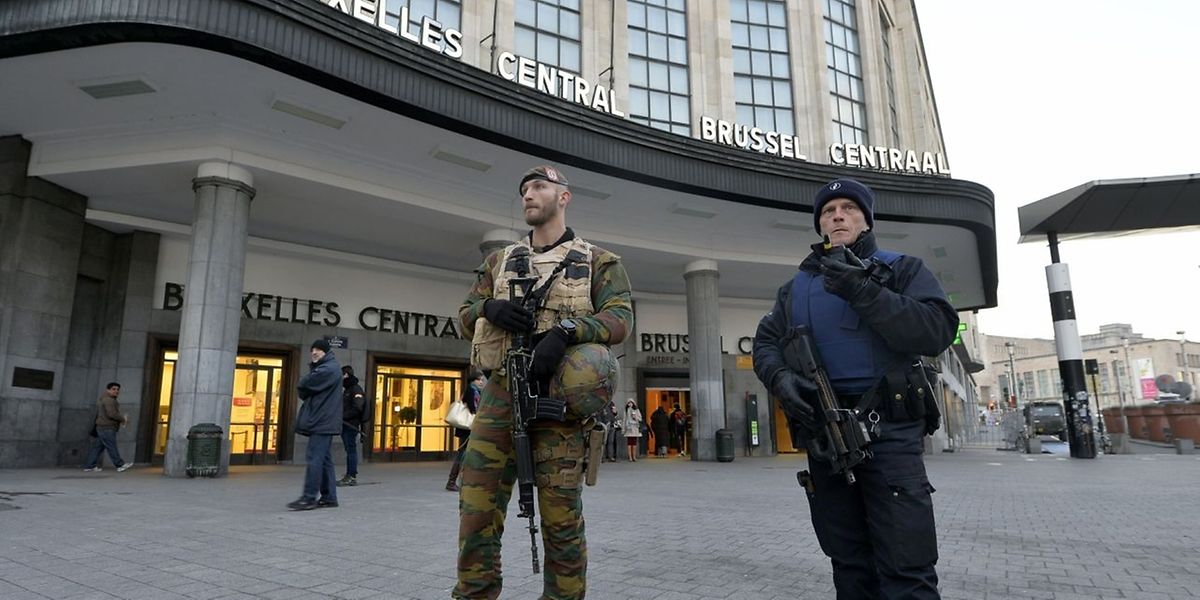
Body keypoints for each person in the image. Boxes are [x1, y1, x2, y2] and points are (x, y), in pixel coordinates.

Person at [752, 178, 957, 600]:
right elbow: (765, 343)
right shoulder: (795, 288)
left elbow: (937, 330)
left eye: (848, 208)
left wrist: (863, 290)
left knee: (907, 568)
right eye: (829, 211)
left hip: (890, 436)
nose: (838, 215)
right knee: (848, 564)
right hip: (826, 437)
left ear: (865, 219)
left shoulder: (901, 269)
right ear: (820, 225)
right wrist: (780, 378)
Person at [455, 165, 633, 600]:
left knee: (561, 519)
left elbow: (620, 318)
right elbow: (464, 315)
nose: (528, 195)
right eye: (524, 190)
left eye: (539, 187)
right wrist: (489, 310)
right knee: (475, 508)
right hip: (500, 393)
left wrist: (568, 332)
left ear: (564, 197)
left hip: (560, 399)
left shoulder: (598, 261)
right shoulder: (498, 262)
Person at [289, 339, 342, 511]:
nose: (314, 352)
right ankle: (329, 497)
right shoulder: (326, 367)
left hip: (322, 421)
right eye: (312, 349)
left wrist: (308, 380)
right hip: (323, 420)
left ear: (326, 352)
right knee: (324, 459)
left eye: (318, 350)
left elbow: (303, 384)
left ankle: (309, 498)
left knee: (315, 459)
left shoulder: (328, 369)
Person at [446, 370, 483, 492]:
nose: (481, 382)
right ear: (473, 380)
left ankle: (462, 480)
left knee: (465, 454)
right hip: (467, 428)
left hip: (468, 428)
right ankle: (452, 481)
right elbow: (473, 409)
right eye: (479, 379)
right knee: (462, 454)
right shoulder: (471, 391)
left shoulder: (475, 391)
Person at [82, 382, 132, 472]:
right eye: (113, 389)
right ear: (108, 390)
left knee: (97, 448)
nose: (116, 391)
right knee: (111, 446)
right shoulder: (109, 400)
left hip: (102, 427)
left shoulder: (106, 399)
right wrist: (123, 419)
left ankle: (89, 466)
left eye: (117, 389)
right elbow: (112, 414)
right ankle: (120, 464)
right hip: (107, 427)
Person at [338, 366, 366, 487]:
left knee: (351, 450)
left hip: (351, 425)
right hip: (346, 424)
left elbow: (358, 408)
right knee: (349, 449)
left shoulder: (355, 389)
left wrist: (343, 416)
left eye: (341, 375)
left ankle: (351, 476)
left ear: (346, 375)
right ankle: (350, 475)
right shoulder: (348, 389)